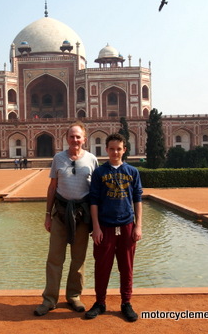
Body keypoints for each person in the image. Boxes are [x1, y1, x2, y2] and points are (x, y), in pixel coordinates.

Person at [34, 121, 99, 316]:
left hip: (82, 215)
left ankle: (74, 296)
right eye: (71, 136)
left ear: (84, 139)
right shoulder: (58, 159)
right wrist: (47, 214)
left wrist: (96, 222)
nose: (75, 140)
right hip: (60, 214)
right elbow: (52, 187)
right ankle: (50, 299)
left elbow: (96, 192)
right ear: (66, 138)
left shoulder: (91, 160)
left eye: (78, 136)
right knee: (54, 258)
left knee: (78, 258)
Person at [85, 133, 143, 322]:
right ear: (106, 150)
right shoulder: (100, 172)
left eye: (118, 149)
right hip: (105, 226)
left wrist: (138, 226)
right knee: (102, 267)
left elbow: (137, 199)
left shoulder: (132, 172)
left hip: (127, 225)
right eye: (111, 149)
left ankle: (126, 302)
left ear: (124, 150)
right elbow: (93, 201)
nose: (115, 152)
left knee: (126, 267)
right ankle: (100, 302)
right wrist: (96, 227)